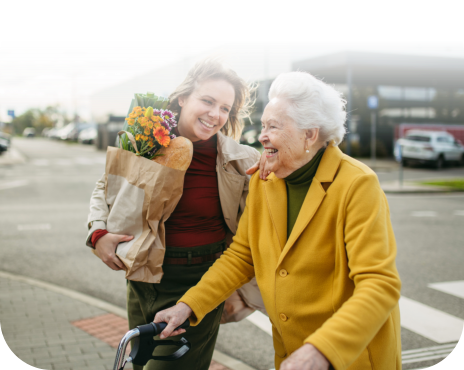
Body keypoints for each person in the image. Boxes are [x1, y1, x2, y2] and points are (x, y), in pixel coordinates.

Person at [154, 71, 402, 370]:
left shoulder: (357, 184)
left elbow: (379, 284)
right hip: (290, 352)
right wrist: (187, 306)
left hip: (347, 355)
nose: (262, 136)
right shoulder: (264, 179)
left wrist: (322, 350)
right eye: (263, 125)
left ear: (309, 134)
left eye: (273, 126)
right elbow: (241, 256)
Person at [86, 51, 266, 370]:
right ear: (183, 98)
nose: (215, 114)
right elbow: (106, 186)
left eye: (225, 108)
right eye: (207, 101)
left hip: (201, 281)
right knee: (140, 363)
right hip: (143, 275)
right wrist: (97, 232)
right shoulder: (148, 140)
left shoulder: (242, 161)